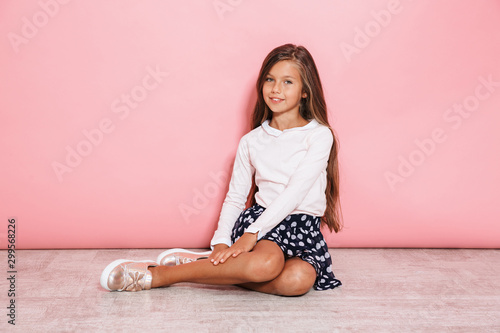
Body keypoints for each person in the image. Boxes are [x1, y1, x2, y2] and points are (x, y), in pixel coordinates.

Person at [100, 43, 343, 296]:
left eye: (288, 82)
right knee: (266, 263)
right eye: (270, 79)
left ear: (306, 91)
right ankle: (160, 275)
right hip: (261, 222)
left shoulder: (318, 135)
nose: (276, 89)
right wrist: (221, 241)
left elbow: (296, 191)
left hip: (301, 227)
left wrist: (251, 235)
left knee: (297, 281)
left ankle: (205, 266)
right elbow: (236, 196)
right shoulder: (251, 141)